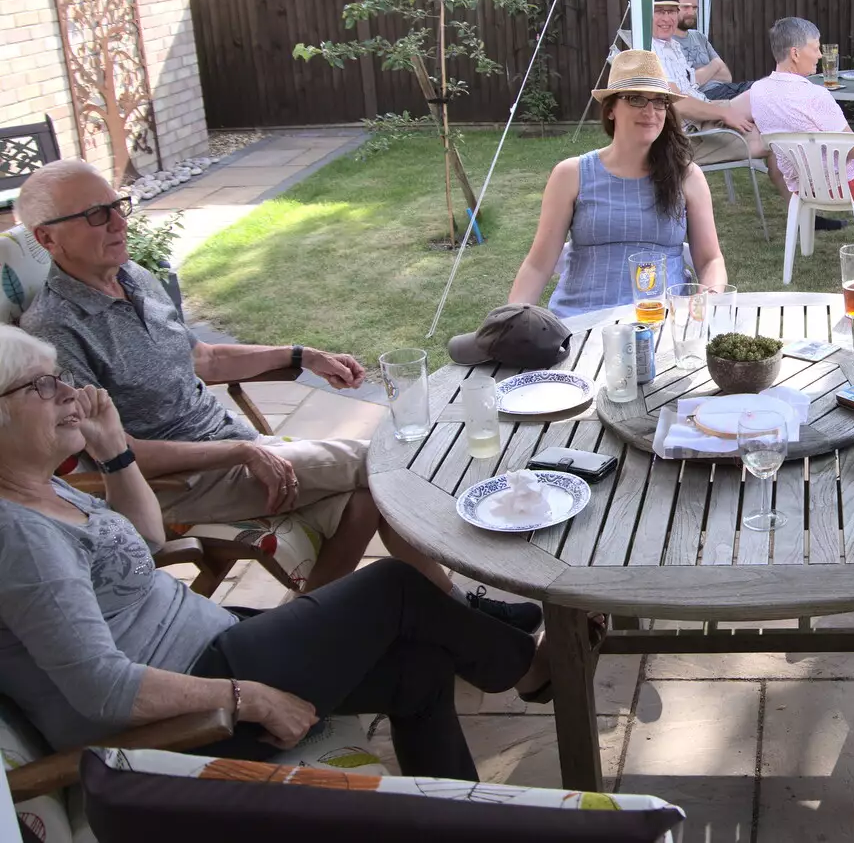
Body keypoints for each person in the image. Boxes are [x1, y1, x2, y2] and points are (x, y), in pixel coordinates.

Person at [0, 326, 568, 780]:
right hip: (182, 712)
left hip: (211, 647)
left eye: (61, 378)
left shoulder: (42, 487)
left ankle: (453, 821)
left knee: (418, 667)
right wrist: (250, 698)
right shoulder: (18, 536)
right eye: (41, 385)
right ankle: (531, 667)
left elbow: (147, 543)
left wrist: (117, 452)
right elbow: (102, 689)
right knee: (390, 587)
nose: (69, 393)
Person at [13, 161, 534, 623]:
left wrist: (301, 357)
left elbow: (204, 358)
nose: (120, 222)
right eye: (96, 215)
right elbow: (114, 452)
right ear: (47, 239)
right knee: (384, 463)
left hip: (237, 448)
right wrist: (241, 450)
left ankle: (318, 630)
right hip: (180, 482)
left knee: (365, 502)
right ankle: (484, 579)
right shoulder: (56, 334)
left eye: (117, 206)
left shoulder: (134, 278)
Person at [508, 49, 729, 316]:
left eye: (659, 102)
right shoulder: (571, 174)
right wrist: (509, 322)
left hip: (661, 322)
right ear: (610, 109)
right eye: (636, 99)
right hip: (580, 323)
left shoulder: (686, 176)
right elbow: (538, 265)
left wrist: (709, 299)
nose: (650, 111)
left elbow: (710, 260)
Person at [749, 16, 854, 252]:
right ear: (795, 53)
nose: (821, 55)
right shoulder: (816, 96)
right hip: (847, 185)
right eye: (815, 48)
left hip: (801, 186)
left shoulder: (757, 91)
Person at [647, 0, 759, 167]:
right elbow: (677, 104)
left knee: (763, 97)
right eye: (660, 11)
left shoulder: (672, 45)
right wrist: (723, 113)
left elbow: (718, 79)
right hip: (687, 137)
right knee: (772, 139)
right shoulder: (650, 51)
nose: (667, 18)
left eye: (672, 11)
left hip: (703, 114)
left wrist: (721, 111)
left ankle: (803, 193)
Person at [675, 0, 752, 101]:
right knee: (754, 98)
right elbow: (686, 84)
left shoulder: (699, 37)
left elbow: (727, 76)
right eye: (685, 7)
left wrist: (699, 75)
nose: (691, 13)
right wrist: (714, 65)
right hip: (705, 97)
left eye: (694, 8)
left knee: (760, 88)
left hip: (726, 89)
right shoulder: (669, 43)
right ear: (674, 7)